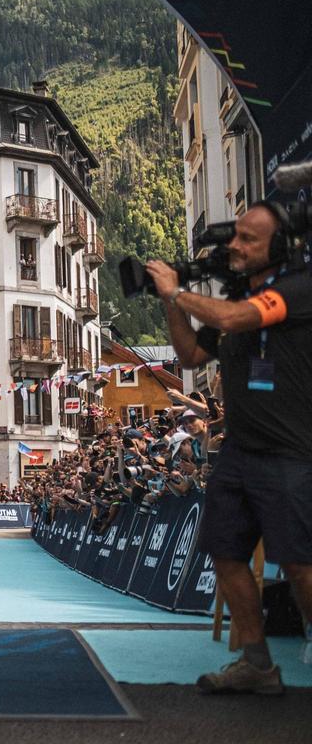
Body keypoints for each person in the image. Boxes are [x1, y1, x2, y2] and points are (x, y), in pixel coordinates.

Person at [147, 201, 312, 695]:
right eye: (235, 236)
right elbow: (191, 354)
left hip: (292, 451)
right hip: (239, 452)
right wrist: (169, 302)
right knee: (225, 550)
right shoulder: (241, 295)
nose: (235, 246)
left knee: (302, 563)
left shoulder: (297, 288)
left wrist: (178, 289)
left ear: (280, 247)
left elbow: (241, 319)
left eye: (249, 239)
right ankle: (258, 665)